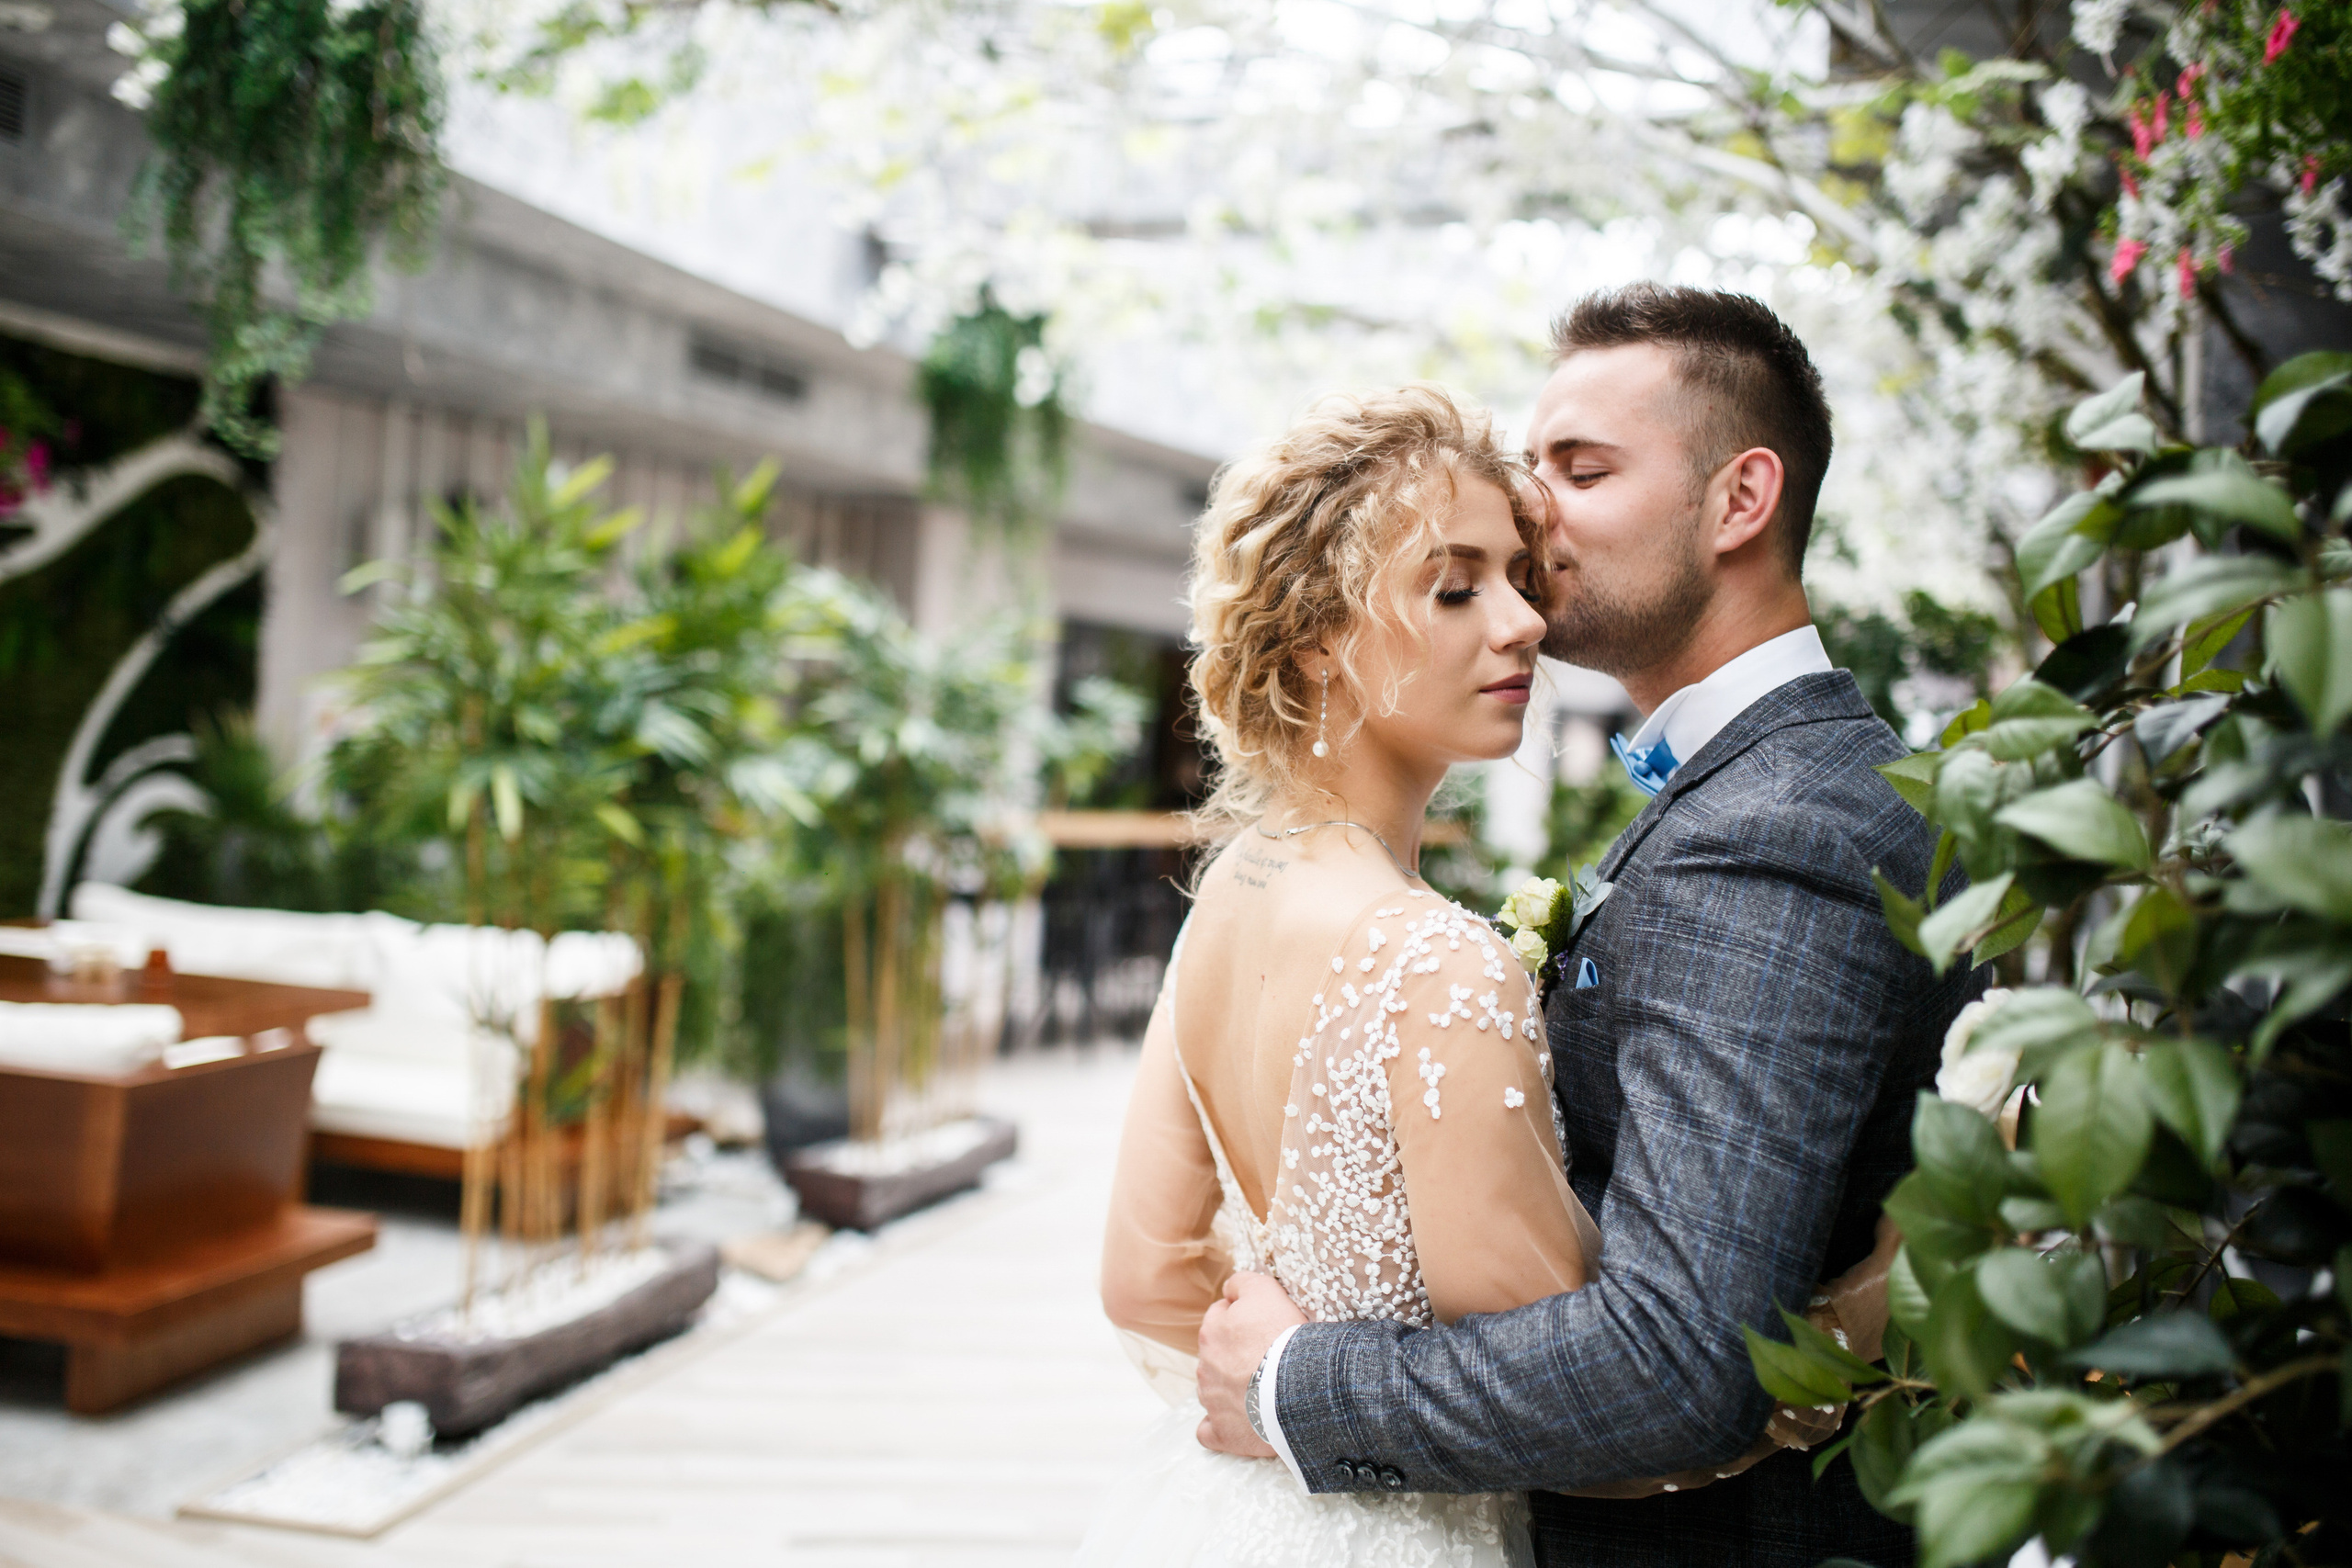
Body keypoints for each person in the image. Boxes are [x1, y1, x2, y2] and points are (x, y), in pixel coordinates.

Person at [1188, 284, 1977, 1568]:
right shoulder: (1743, 793)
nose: (1530, 507)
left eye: (1582, 468)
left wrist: (1294, 1386)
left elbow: (1675, 1363)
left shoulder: (1778, 831)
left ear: (1740, 500)